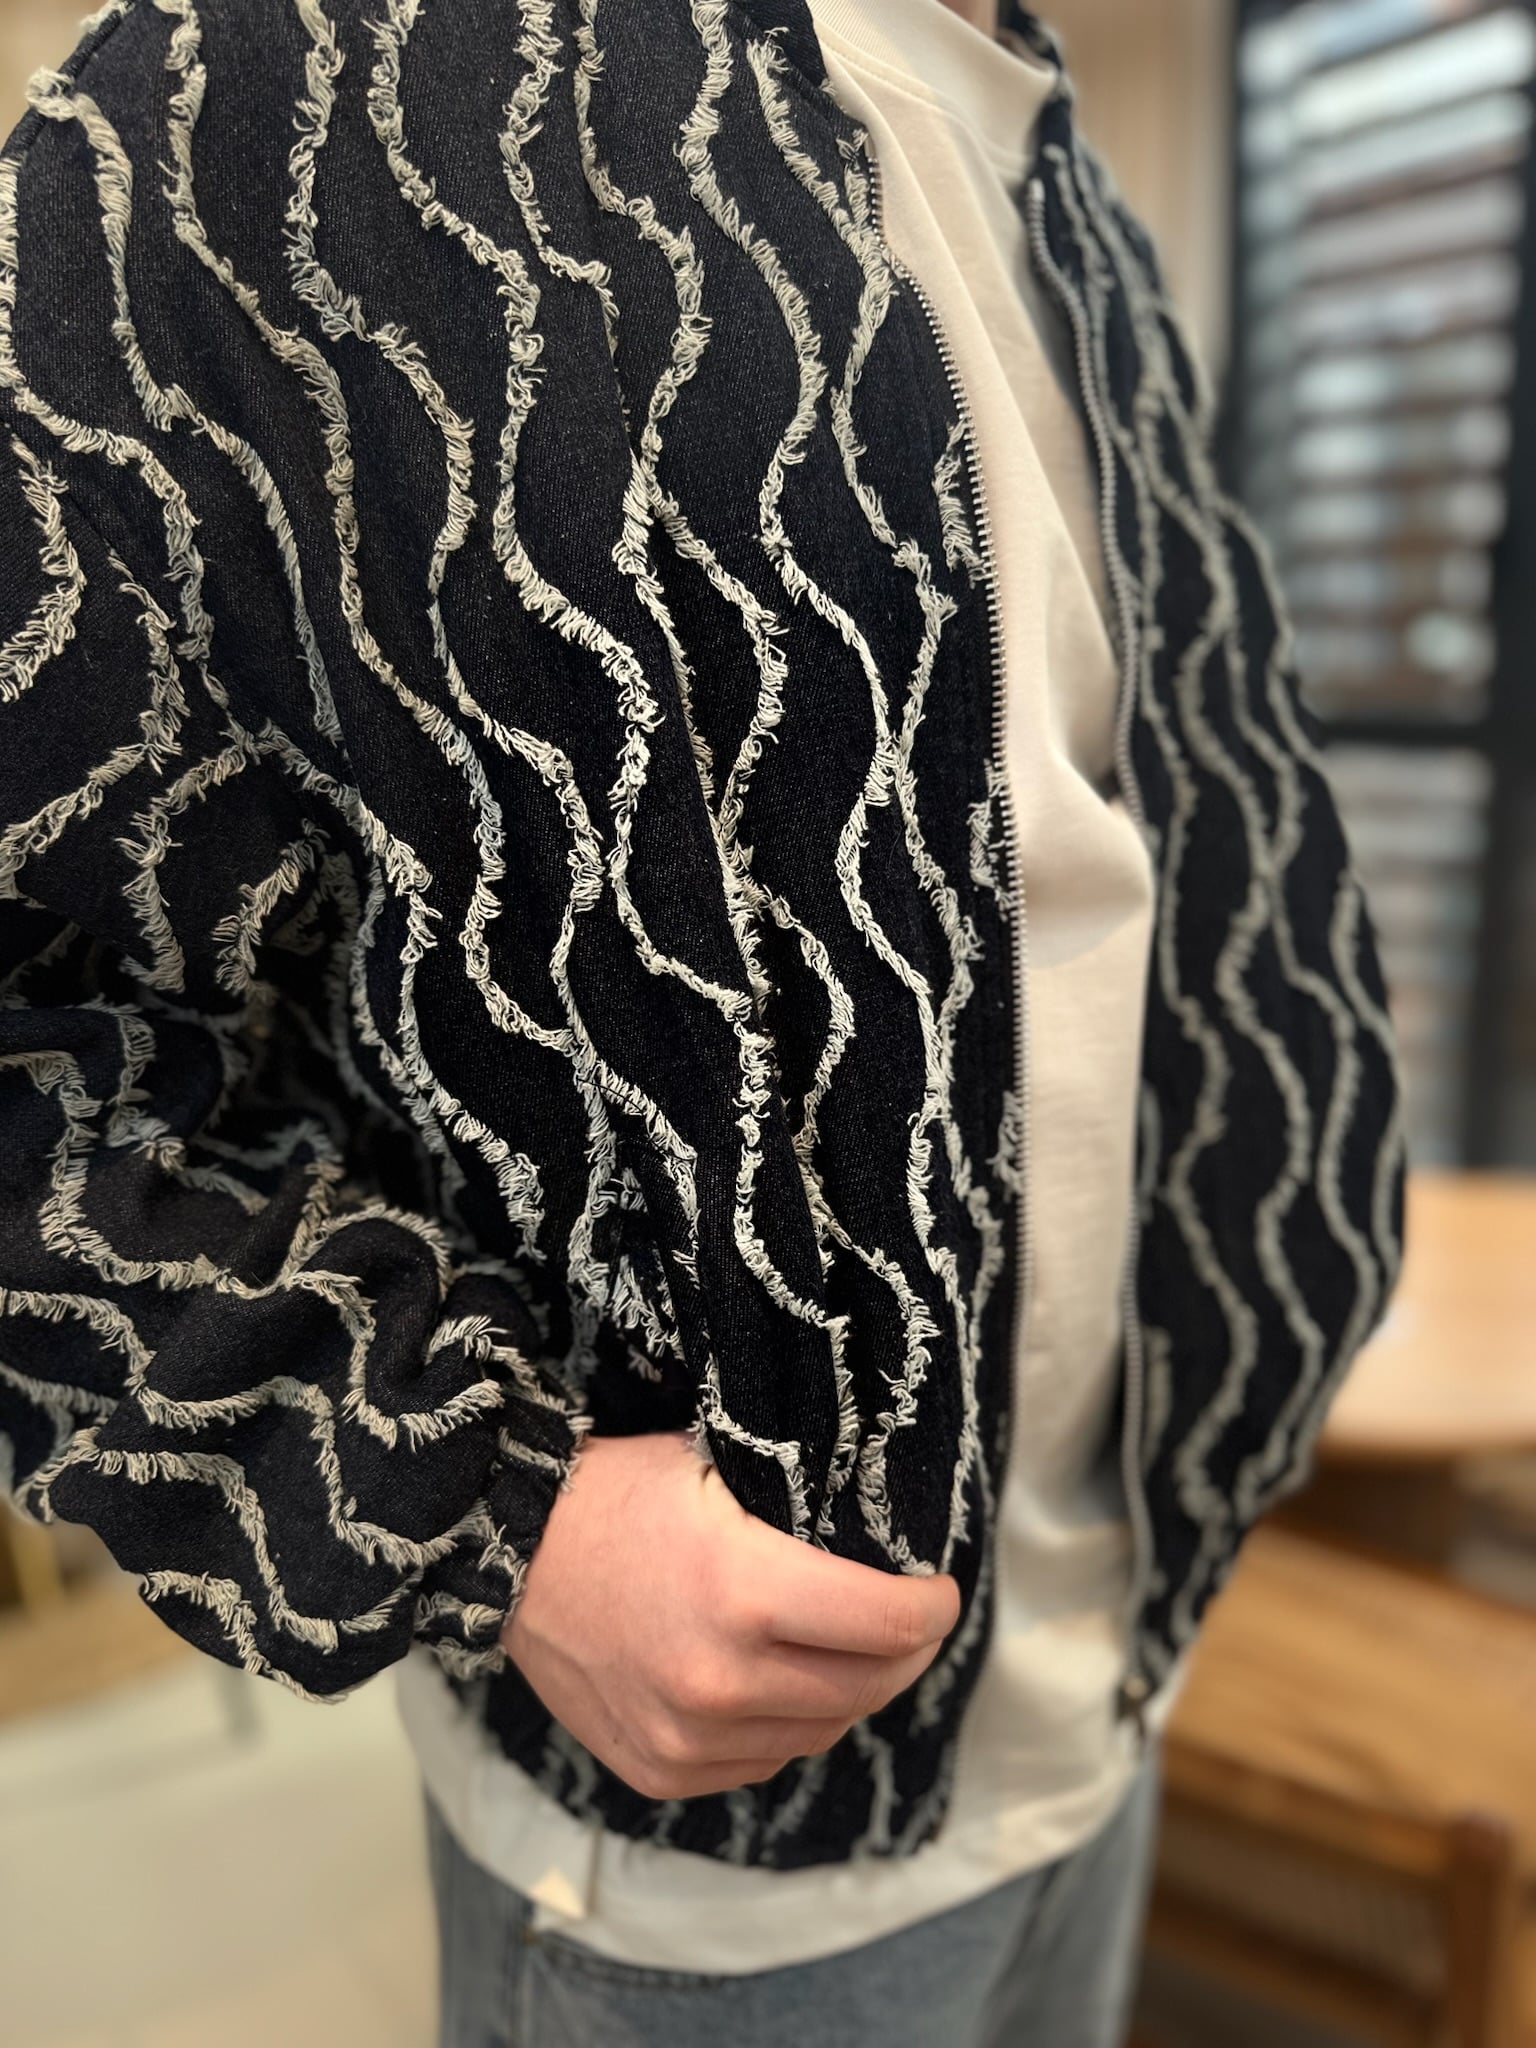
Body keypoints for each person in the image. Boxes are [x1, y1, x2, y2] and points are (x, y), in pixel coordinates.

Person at [0, 0, 1403, 2042]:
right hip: (711, 1848)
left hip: (1121, 1664)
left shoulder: (1039, 139)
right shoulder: (249, 104)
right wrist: (481, 1498)